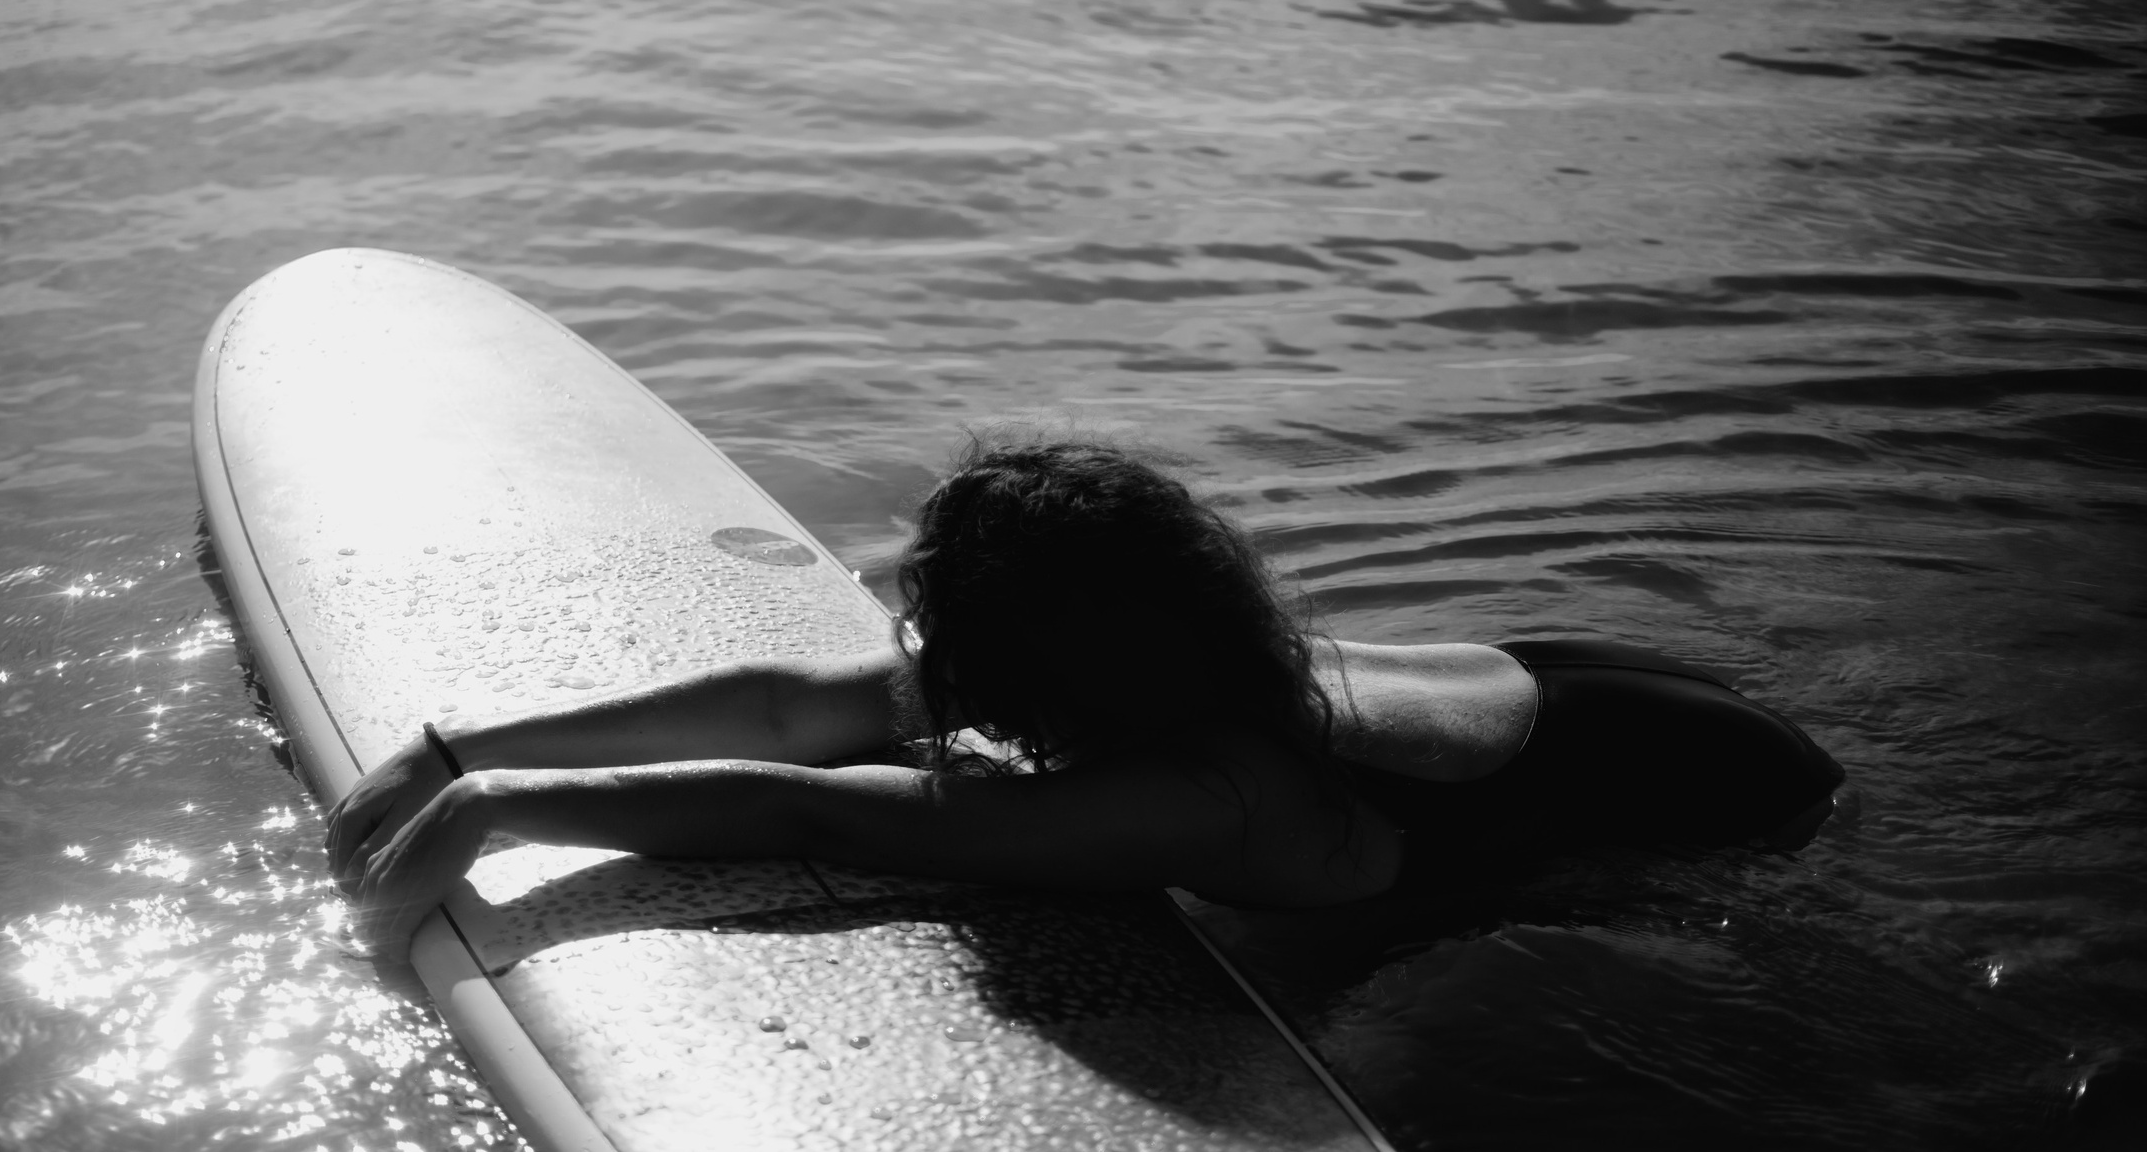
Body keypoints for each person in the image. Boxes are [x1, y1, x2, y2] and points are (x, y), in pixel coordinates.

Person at [327, 441, 1844, 958]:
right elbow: (803, 713)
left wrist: (513, 809)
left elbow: (824, 809)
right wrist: (461, 739)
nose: (905, 619)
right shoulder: (1184, 662)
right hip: (1589, 689)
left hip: (1715, 789)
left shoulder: (1211, 787)